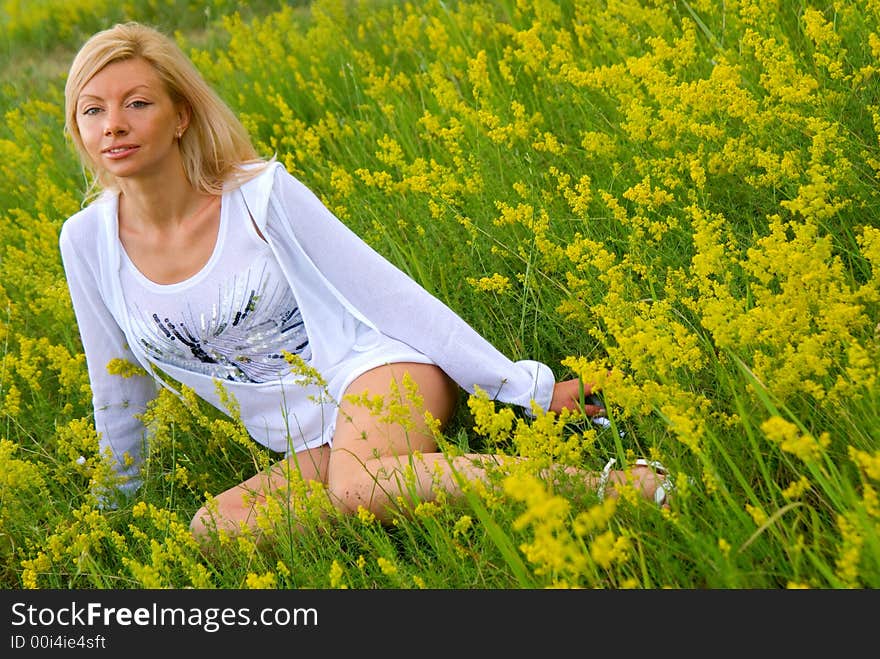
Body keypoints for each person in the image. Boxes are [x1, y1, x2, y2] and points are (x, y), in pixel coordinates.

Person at [59, 22, 671, 545]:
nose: (114, 124)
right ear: (80, 128)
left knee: (358, 489)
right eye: (94, 109)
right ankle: (428, 479)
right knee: (214, 531)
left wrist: (525, 389)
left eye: (137, 103)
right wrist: (114, 505)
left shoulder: (258, 196)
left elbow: (389, 295)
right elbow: (117, 380)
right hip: (305, 434)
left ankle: (621, 487)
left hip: (374, 368)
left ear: (180, 115)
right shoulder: (85, 241)